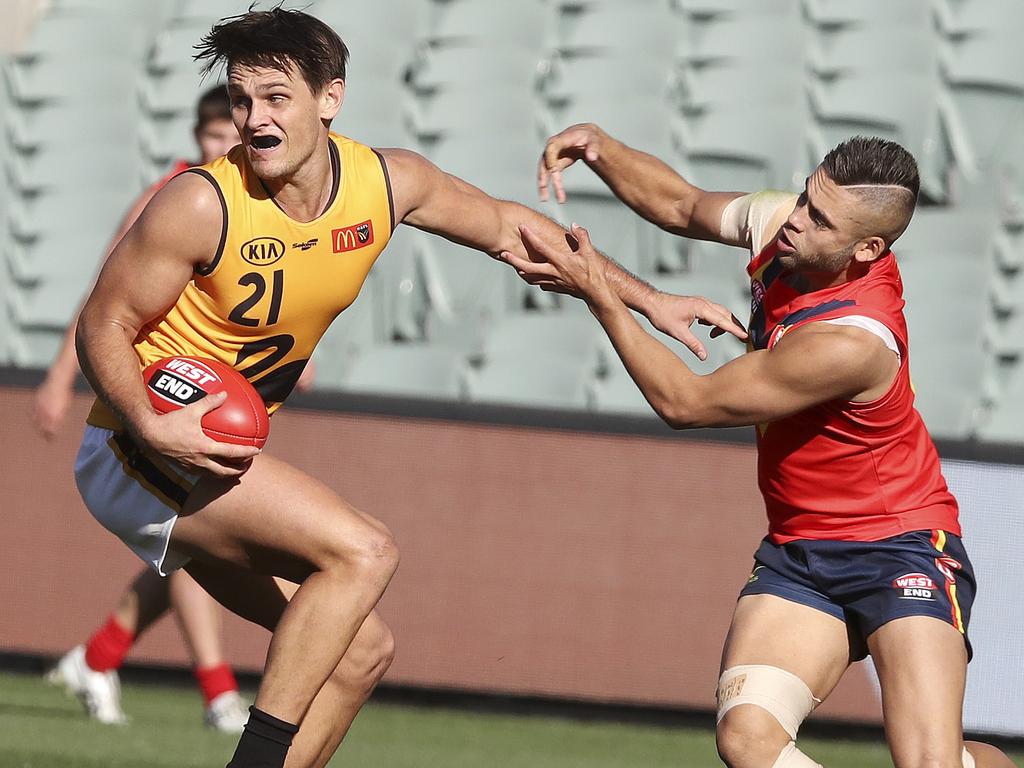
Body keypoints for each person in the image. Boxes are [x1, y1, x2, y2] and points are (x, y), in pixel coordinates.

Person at [71, 9, 746, 768]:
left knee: (359, 653)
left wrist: (651, 300)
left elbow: (510, 227)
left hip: (202, 458)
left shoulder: (386, 182)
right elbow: (102, 325)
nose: (255, 120)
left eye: (275, 98)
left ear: (331, 98)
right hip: (137, 447)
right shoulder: (202, 201)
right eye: (240, 99)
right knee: (365, 552)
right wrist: (150, 422)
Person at [502, 125, 1018, 768]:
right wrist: (603, 151)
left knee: (928, 765)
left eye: (820, 219)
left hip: (900, 545)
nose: (796, 220)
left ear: (868, 248)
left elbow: (685, 404)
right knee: (747, 740)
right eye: (805, 197)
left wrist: (601, 294)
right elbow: (682, 206)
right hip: (801, 551)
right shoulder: (788, 227)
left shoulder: (851, 342)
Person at [41, 85, 253, 732]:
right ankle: (219, 696)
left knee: (187, 545)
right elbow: (103, 301)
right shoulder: (173, 198)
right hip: (163, 394)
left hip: (221, 394)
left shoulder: (247, 205)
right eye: (211, 136)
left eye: (229, 136)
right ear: (197, 138)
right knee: (195, 540)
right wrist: (59, 376)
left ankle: (98, 659)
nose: (220, 146)